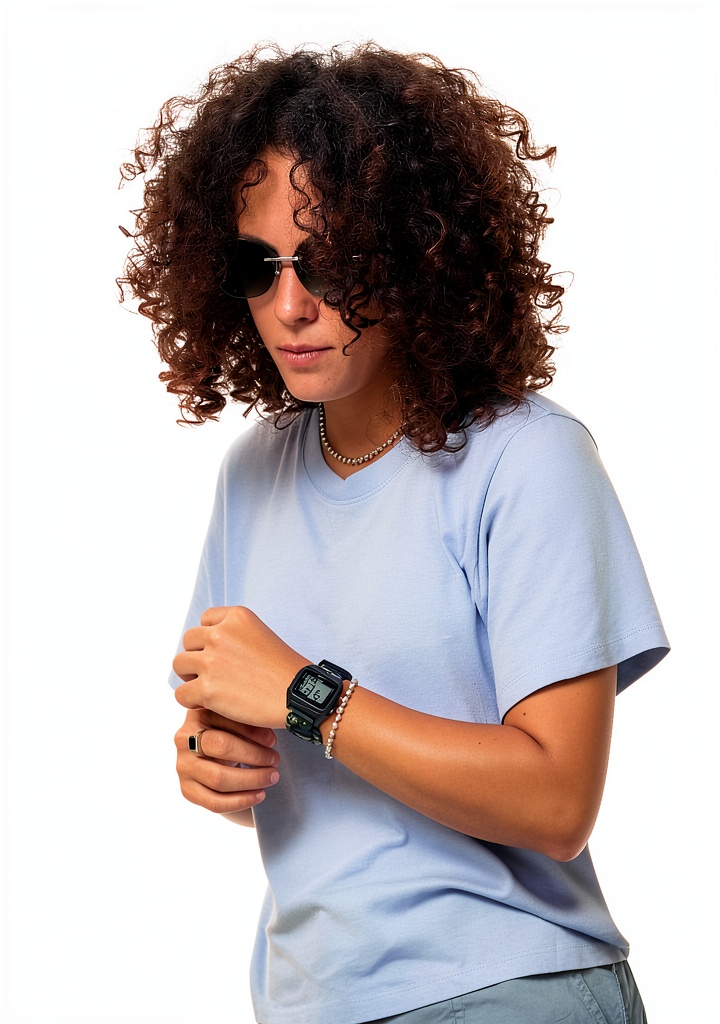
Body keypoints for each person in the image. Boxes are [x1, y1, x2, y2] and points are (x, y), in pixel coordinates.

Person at [119, 43, 669, 1024]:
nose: (292, 306)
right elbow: (232, 719)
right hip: (309, 996)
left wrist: (306, 694)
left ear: (414, 255)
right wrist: (212, 754)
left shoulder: (526, 460)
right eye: (257, 267)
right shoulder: (253, 474)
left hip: (508, 989)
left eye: (329, 262)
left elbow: (557, 801)